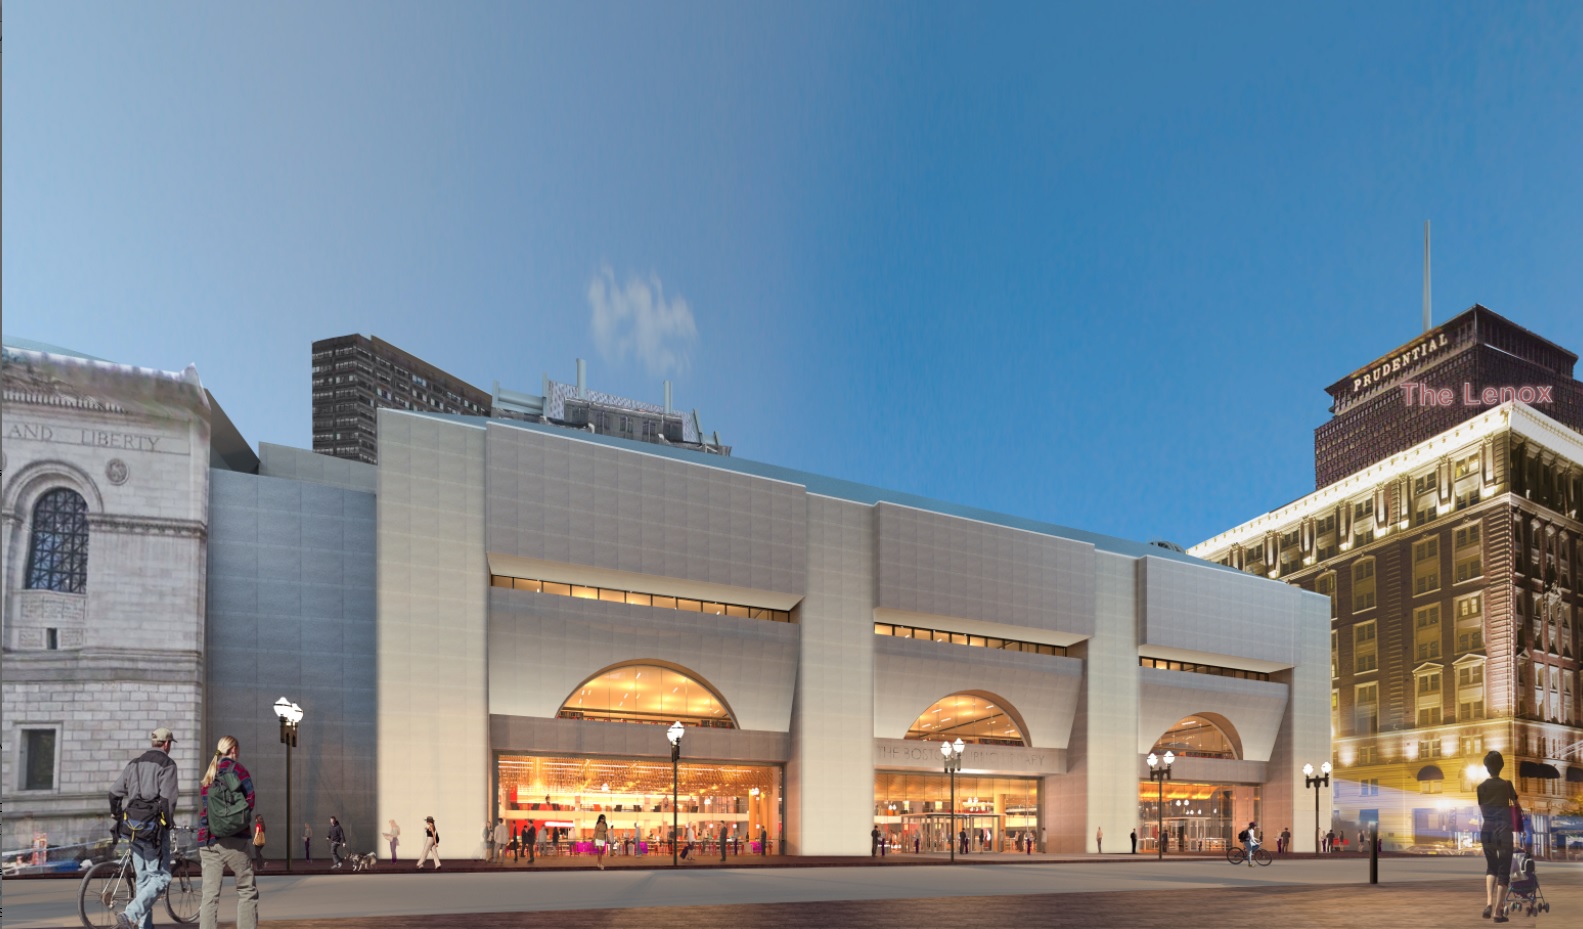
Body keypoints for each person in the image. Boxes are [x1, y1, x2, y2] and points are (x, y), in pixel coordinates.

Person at [109, 726, 182, 929]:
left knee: (143, 879)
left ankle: (144, 927)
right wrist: (166, 824)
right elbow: (168, 800)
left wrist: (117, 815)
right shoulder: (167, 764)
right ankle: (130, 914)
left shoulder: (134, 763)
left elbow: (114, 792)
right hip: (153, 830)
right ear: (166, 744)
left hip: (131, 827)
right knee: (161, 877)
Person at [196, 735, 258, 929]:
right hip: (234, 840)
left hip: (207, 840)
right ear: (234, 750)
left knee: (209, 896)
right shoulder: (238, 770)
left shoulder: (209, 774)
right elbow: (250, 801)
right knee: (246, 890)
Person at [1478, 749, 1522, 923]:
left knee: (1491, 867)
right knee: (1504, 871)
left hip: (1487, 829)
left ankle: (1488, 902)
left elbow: (1483, 808)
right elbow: (1517, 806)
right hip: (1503, 831)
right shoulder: (1506, 784)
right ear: (1501, 766)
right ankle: (1498, 912)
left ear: (1486, 767)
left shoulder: (1481, 787)